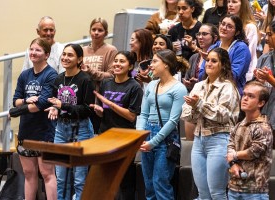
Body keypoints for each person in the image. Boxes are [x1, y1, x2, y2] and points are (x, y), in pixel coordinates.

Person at [181, 48, 240, 199]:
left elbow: (223, 115)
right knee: (203, 193)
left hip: (219, 140)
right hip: (199, 140)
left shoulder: (228, 87)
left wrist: (199, 104)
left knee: (217, 192)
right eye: (208, 60)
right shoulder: (198, 85)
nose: (209, 63)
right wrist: (196, 107)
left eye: (214, 61)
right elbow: (186, 114)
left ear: (223, 65)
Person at [90, 51, 143, 200]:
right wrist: (99, 110)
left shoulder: (135, 87)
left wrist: (109, 104)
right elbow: (103, 112)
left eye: (122, 61)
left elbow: (131, 115)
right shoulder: (107, 83)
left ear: (130, 66)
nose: (117, 64)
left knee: (124, 180)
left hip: (125, 138)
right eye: (116, 61)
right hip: (105, 135)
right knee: (105, 178)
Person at [9, 38, 58, 200]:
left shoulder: (51, 75)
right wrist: (24, 101)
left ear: (47, 54)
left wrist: (16, 111)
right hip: (26, 131)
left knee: (47, 173)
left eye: (38, 50)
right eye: (31, 49)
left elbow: (42, 103)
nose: (33, 53)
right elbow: (15, 100)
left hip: (44, 132)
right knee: (29, 173)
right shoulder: (25, 75)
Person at [137, 49, 188, 200]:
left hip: (165, 138)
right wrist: (141, 135)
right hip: (148, 133)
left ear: (166, 64)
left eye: (154, 61)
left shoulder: (179, 88)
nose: (150, 65)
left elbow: (173, 121)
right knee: (149, 185)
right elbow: (143, 113)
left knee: (161, 183)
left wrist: (153, 142)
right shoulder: (152, 85)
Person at [46, 44, 95, 200]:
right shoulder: (59, 78)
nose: (65, 58)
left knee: (80, 180)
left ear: (79, 59)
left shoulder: (86, 79)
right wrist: (55, 109)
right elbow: (56, 102)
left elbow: (88, 109)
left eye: (70, 55)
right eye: (64, 54)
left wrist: (62, 106)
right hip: (61, 129)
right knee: (61, 178)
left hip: (81, 129)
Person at [227, 81, 273, 200]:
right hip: (234, 188)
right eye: (244, 95)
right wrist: (233, 163)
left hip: (255, 192)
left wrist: (234, 155)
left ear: (261, 103)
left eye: (251, 96)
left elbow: (253, 152)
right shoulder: (238, 125)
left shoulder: (263, 127)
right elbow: (230, 146)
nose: (245, 98)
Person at [198, 14, 251, 96]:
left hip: (230, 92)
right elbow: (201, 75)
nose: (224, 28)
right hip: (209, 91)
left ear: (237, 32)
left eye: (229, 26)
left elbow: (233, 76)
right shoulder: (213, 46)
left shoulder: (241, 48)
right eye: (223, 24)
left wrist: (213, 68)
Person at [81, 17, 118, 134]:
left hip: (100, 97)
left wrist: (91, 72)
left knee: (97, 133)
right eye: (94, 29)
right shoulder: (83, 50)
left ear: (106, 33)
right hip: (83, 96)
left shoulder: (111, 50)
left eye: (100, 30)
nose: (96, 33)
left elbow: (112, 75)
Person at [253, 21, 275, 148]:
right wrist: (259, 82)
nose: (266, 39)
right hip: (266, 115)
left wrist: (269, 78)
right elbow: (256, 85)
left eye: (270, 34)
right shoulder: (265, 58)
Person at [227, 0, 259, 81]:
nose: (230, 5)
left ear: (243, 5)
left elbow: (249, 53)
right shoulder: (225, 25)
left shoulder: (250, 27)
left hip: (244, 73)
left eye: (234, 2)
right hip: (226, 70)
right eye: (228, 2)